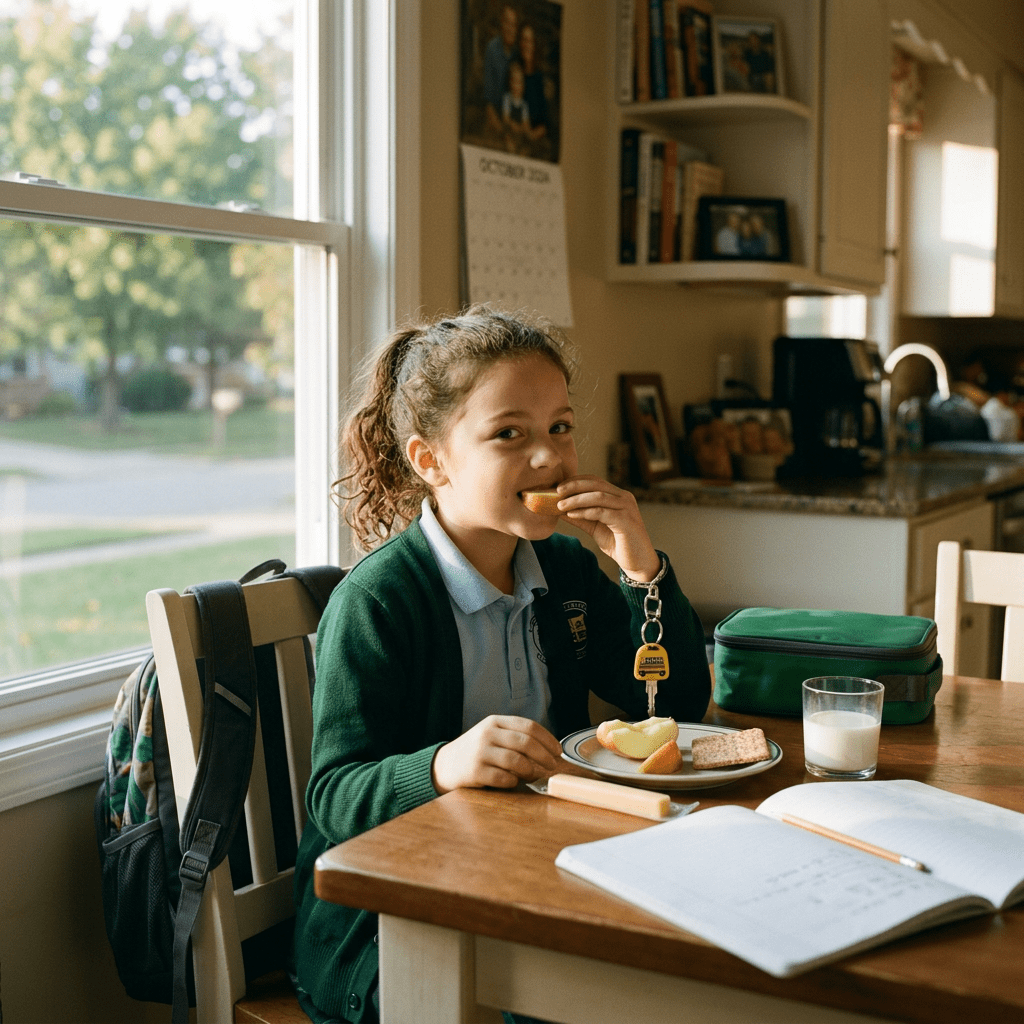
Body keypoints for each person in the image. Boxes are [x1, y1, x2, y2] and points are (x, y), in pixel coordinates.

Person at [292, 307, 711, 1024]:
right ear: (432, 461)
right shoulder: (380, 600)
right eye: (509, 434)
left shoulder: (567, 570)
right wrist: (442, 766)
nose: (548, 457)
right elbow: (333, 795)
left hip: (536, 877)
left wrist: (642, 569)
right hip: (389, 929)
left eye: (561, 427)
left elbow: (672, 703)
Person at [484, 3, 519, 139]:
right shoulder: (492, 49)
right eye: (507, 23)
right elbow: (488, 102)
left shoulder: (517, 54)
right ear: (501, 24)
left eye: (514, 25)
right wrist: (501, 130)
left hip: (513, 121)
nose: (511, 29)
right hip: (495, 118)